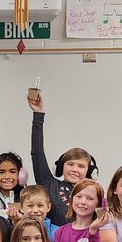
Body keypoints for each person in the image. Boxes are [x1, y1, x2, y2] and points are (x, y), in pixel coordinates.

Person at [29, 90, 94, 227]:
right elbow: (37, 153)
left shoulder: (93, 194)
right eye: (70, 164)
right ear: (60, 167)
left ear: (90, 172)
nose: (75, 169)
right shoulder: (49, 184)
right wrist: (38, 115)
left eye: (81, 166)